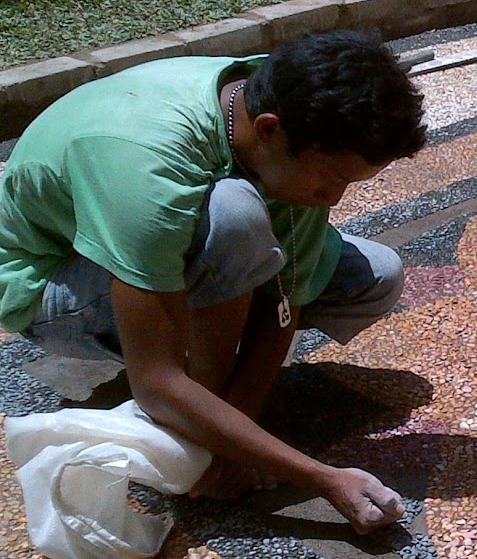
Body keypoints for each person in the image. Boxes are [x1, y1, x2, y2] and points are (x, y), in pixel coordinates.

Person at [0, 30, 426, 533]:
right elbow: (155, 382)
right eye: (331, 178)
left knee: (376, 275)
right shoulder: (149, 164)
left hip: (175, 238)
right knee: (237, 217)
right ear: (268, 130)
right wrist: (322, 477)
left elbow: (284, 299)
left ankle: (212, 410)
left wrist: (236, 431)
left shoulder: (286, 110)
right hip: (49, 285)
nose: (334, 199)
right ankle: (200, 408)